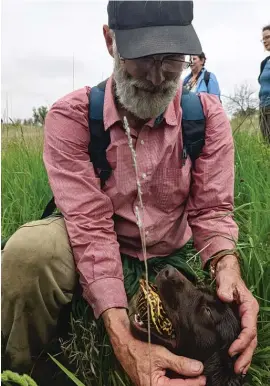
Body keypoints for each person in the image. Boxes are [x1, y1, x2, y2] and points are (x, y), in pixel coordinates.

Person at [2, 2, 259, 386]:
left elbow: (211, 212)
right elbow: (90, 229)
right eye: (142, 57)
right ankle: (18, 369)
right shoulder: (71, 118)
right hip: (96, 243)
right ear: (110, 42)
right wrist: (123, 338)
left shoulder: (205, 118)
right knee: (30, 252)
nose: (157, 77)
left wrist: (226, 264)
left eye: (171, 58)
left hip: (170, 252)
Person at [259, 24, 270, 143]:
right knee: (266, 145)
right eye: (263, 39)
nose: (265, 41)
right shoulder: (265, 63)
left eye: (268, 37)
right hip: (263, 109)